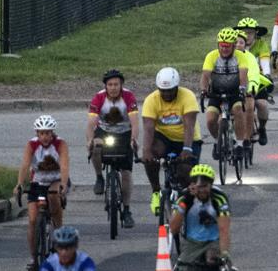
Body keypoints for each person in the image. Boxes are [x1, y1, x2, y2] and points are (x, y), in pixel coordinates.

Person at [140, 67, 203, 216]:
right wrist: (146, 151)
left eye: (170, 90)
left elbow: (189, 125)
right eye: (163, 90)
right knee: (152, 156)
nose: (166, 94)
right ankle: (156, 193)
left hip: (187, 139)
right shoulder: (151, 100)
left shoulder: (187, 96)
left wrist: (187, 149)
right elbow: (149, 128)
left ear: (177, 87)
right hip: (165, 137)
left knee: (184, 172)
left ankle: (190, 202)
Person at [14, 116, 69, 270]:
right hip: (37, 182)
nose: (45, 137)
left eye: (48, 133)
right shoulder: (32, 145)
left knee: (53, 196)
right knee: (32, 220)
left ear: (52, 133)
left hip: (56, 180)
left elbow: (64, 165)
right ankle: (33, 257)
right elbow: (25, 165)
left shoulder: (60, 144)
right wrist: (19, 183)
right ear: (37, 133)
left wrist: (63, 185)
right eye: (42, 133)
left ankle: (58, 234)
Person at [85, 70, 138, 229]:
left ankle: (127, 210)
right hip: (104, 131)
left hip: (124, 133)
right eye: (110, 85)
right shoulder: (99, 98)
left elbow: (135, 123)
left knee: (126, 173)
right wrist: (89, 141)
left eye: (116, 84)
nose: (113, 88)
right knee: (96, 145)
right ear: (105, 86)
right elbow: (90, 123)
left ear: (121, 85)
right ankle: (99, 177)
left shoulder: (128, 97)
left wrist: (134, 140)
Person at [167, 164, 232, 271]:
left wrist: (224, 253)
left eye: (205, 186)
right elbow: (173, 228)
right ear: (192, 185)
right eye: (198, 187)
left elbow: (224, 229)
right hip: (192, 242)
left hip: (213, 241)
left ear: (211, 185)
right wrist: (185, 202)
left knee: (212, 259)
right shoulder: (183, 198)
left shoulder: (219, 198)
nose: (202, 190)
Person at [201, 29, 249, 161]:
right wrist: (203, 90)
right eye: (221, 45)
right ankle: (218, 142)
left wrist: (242, 89)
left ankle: (239, 144)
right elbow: (205, 76)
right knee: (211, 120)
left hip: (235, 91)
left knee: (237, 110)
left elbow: (243, 75)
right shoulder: (212, 56)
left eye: (227, 46)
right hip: (216, 92)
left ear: (234, 45)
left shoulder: (240, 56)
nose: (224, 49)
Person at [235, 18, 273, 145]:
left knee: (261, 104)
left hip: (258, 78)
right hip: (237, 79)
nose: (247, 35)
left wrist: (267, 74)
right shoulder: (234, 44)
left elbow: (265, 62)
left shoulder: (261, 44)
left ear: (256, 34)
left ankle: (262, 128)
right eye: (244, 32)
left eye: (250, 32)